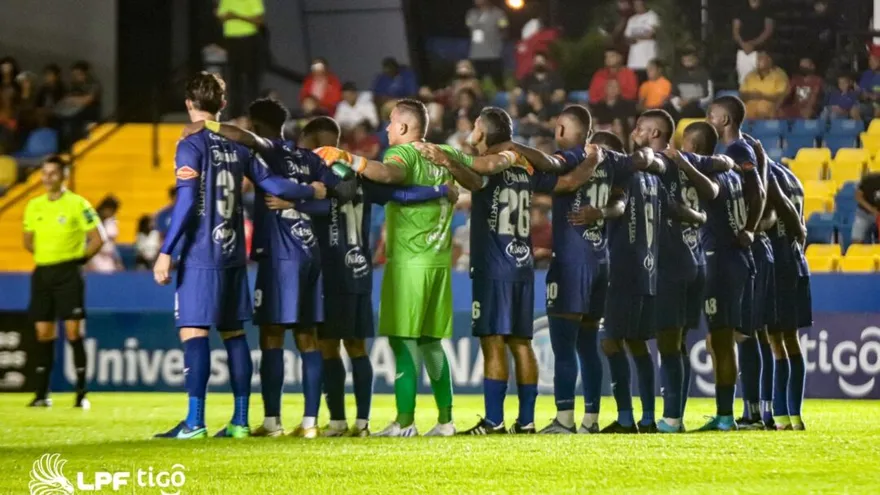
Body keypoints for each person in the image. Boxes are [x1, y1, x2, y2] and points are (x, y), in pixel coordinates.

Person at [315, 99, 520, 437]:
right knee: (430, 343)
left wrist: (351, 158)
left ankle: (405, 422)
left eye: (391, 123)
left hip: (409, 262)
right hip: (438, 262)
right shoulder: (442, 152)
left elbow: (389, 173)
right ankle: (445, 421)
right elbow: (480, 176)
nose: (386, 129)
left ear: (406, 128)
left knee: (403, 341)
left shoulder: (403, 153)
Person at [152, 73, 326, 440]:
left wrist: (166, 251)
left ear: (188, 104)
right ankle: (241, 421)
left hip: (201, 252)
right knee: (233, 334)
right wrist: (311, 188)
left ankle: (195, 422)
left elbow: (184, 203)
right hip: (234, 253)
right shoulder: (239, 148)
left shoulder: (190, 143)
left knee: (193, 331)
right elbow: (275, 185)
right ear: (222, 105)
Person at [423, 107, 604, 435]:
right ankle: (528, 420)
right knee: (521, 342)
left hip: (494, 265)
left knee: (493, 340)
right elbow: (564, 182)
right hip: (522, 265)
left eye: (476, 126)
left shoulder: (496, 160)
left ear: (484, 132)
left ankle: (493, 421)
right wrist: (591, 162)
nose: (472, 131)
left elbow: (477, 173)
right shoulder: (523, 167)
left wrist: (448, 159)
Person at [181, 98, 349, 438]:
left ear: (257, 126)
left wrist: (206, 125)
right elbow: (340, 193)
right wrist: (308, 196)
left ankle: (272, 422)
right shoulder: (310, 158)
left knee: (272, 336)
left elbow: (244, 139)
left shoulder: (268, 150)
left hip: (278, 255)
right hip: (310, 255)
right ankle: (310, 424)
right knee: (307, 337)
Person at [291, 117, 456, 437]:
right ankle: (365, 423)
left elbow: (324, 204)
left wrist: (294, 198)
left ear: (316, 144)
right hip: (361, 271)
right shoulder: (359, 173)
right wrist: (439, 189)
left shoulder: (323, 174)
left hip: (333, 270)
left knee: (330, 346)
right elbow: (401, 196)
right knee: (359, 347)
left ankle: (341, 421)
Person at [531, 108, 662, 434]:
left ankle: (564, 419)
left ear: (561, 128)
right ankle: (591, 417)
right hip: (601, 262)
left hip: (572, 263)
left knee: (564, 345)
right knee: (588, 344)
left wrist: (515, 149)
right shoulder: (612, 162)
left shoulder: (571, 158)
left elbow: (549, 172)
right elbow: (642, 159)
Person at [634, 111, 717, 433]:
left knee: (669, 344)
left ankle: (671, 419)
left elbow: (665, 206)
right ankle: (674, 417)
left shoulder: (659, 165)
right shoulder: (688, 165)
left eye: (641, 128)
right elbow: (712, 188)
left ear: (654, 132)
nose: (635, 131)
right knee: (677, 342)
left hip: (671, 262)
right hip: (695, 260)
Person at [699, 95, 766, 432]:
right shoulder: (732, 154)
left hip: (728, 253)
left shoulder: (738, 152)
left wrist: (750, 229)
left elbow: (758, 190)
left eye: (712, 114)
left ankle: (737, 412)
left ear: (724, 120)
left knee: (730, 336)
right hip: (728, 252)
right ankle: (744, 409)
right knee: (731, 336)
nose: (708, 118)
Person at [592, 123, 664, 434]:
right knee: (637, 343)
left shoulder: (620, 174)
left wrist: (599, 212)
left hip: (622, 267)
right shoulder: (651, 177)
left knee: (610, 342)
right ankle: (648, 418)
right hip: (649, 268)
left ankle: (624, 418)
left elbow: (619, 205)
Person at [23, 155, 104, 409]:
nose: (47, 178)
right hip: (43, 273)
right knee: (43, 333)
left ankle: (81, 393)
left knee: (73, 332)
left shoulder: (77, 204)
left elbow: (97, 238)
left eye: (52, 173)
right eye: (44, 173)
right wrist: (48, 254)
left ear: (63, 176)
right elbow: (27, 240)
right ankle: (41, 393)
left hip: (68, 273)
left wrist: (77, 260)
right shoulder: (33, 205)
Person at [767, 159, 811, 431]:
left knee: (773, 339)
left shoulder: (768, 179)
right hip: (797, 264)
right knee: (791, 339)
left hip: (777, 264)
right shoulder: (795, 180)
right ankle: (794, 415)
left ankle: (779, 413)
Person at [215, 0, 265, 118]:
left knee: (251, 78)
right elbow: (221, 17)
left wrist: (237, 16)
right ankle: (235, 114)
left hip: (248, 39)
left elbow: (259, 20)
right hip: (231, 40)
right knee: (234, 79)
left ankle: (253, 113)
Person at [466, 0, 509, 87]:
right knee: (474, 85)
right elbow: (469, 27)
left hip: (493, 55)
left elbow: (504, 29)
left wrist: (497, 40)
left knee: (499, 85)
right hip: (476, 55)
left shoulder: (499, 13)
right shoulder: (471, 14)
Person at [733, 0, 775, 85]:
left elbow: (768, 30)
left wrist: (753, 44)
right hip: (743, 51)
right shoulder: (740, 9)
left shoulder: (767, 9)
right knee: (743, 82)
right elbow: (735, 30)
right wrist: (743, 44)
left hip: (760, 51)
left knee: (762, 81)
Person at [740, 51, 789, 119]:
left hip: (770, 107)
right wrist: (750, 95)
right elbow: (741, 94)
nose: (758, 61)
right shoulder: (750, 75)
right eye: (757, 58)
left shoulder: (779, 75)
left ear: (769, 60)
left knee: (762, 108)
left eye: (761, 58)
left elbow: (780, 96)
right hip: (750, 106)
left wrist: (762, 96)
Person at [667, 52, 713, 120]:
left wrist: (692, 101)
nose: (687, 62)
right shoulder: (678, 77)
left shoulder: (705, 76)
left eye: (690, 59)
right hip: (682, 109)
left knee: (691, 108)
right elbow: (673, 96)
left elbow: (710, 98)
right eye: (685, 60)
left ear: (696, 60)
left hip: (700, 108)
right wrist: (679, 104)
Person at [623, 0, 661, 80]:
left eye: (639, 4)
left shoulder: (652, 16)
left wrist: (635, 38)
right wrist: (635, 38)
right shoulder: (632, 19)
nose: (638, 6)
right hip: (633, 62)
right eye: (635, 4)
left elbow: (651, 34)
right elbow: (626, 37)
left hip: (648, 61)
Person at [86, 196, 122, 273]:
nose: (112, 213)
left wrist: (117, 260)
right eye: (112, 210)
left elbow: (112, 243)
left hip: (109, 258)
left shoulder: (112, 221)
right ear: (105, 208)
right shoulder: (92, 219)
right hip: (95, 257)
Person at [852, 172, 880, 243]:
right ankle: (857, 252)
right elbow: (858, 196)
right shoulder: (869, 179)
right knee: (856, 238)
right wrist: (871, 209)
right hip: (864, 213)